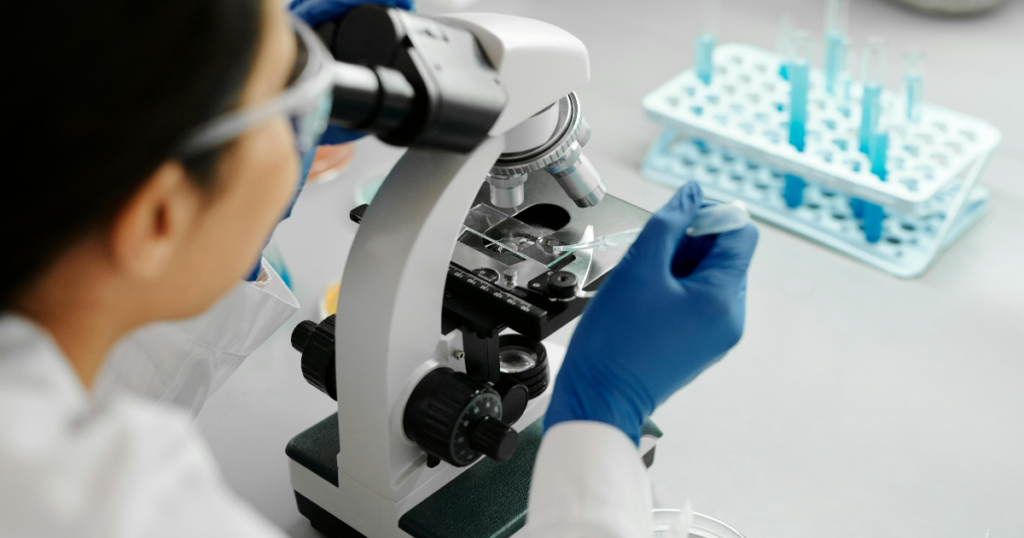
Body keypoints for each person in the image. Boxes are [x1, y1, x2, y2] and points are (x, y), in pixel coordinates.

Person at [0, 0, 757, 537]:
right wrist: (600, 415)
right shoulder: (122, 506)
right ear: (158, 217)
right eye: (292, 91)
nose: (317, 123)